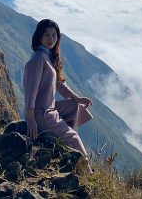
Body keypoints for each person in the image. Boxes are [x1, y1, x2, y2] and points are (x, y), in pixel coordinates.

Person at [23, 19, 94, 173]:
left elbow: (59, 84)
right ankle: (87, 173)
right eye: (47, 35)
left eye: (54, 35)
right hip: (42, 114)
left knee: (76, 107)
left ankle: (63, 138)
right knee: (73, 137)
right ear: (39, 37)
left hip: (49, 109)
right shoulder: (38, 59)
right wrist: (30, 119)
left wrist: (77, 98)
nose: (51, 39)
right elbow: (31, 91)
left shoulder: (47, 56)